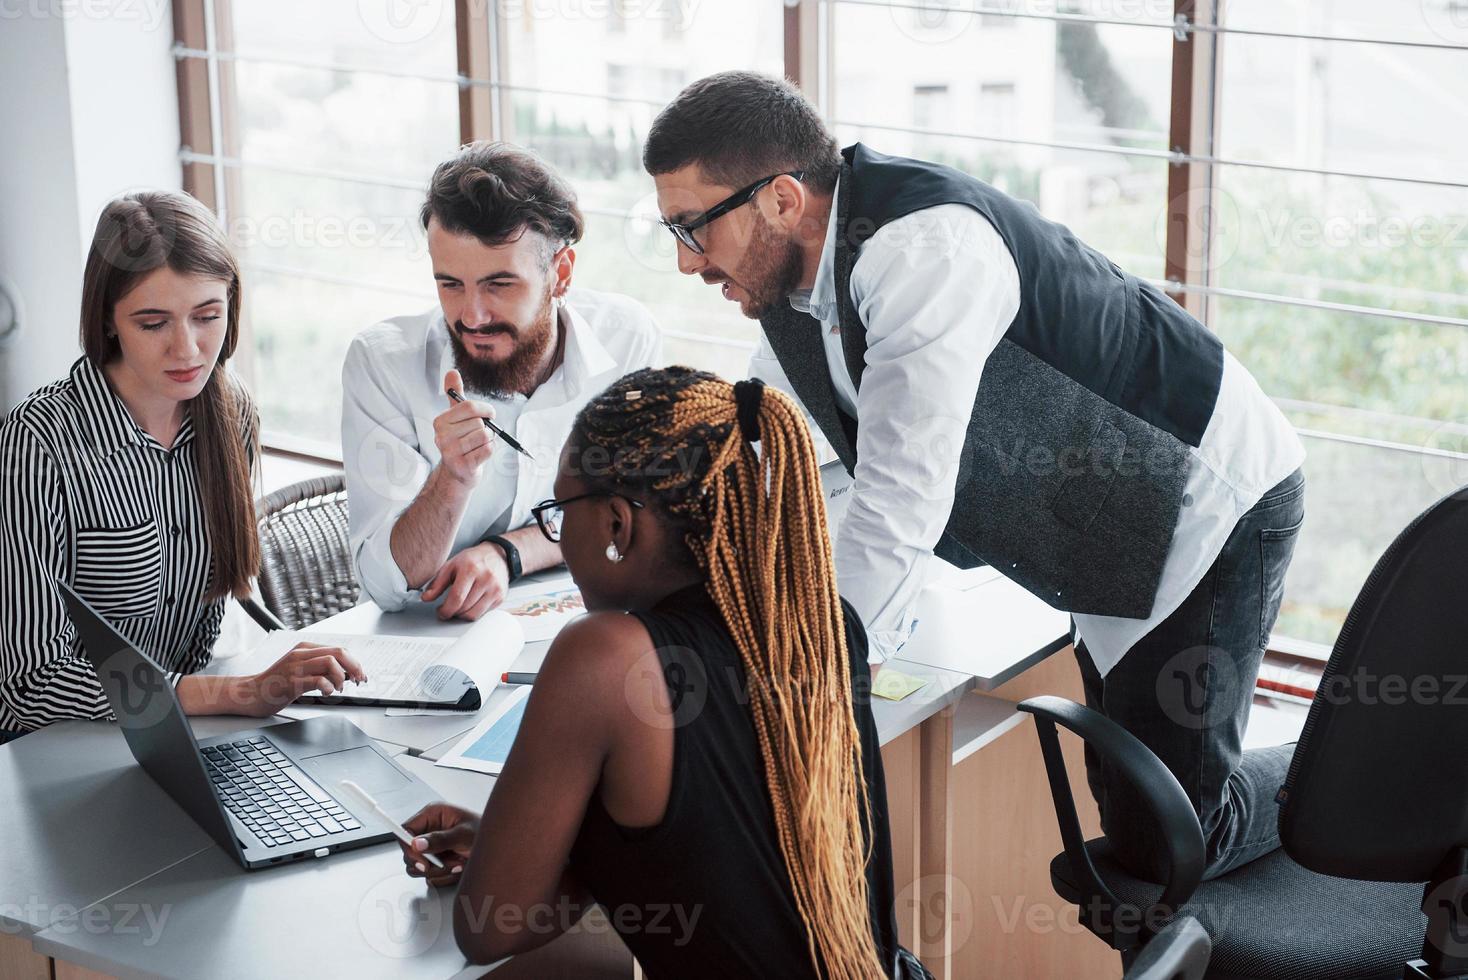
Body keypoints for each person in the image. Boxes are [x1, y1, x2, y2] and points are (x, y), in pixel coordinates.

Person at [641, 71, 1306, 882]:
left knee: (1169, 846)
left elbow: (900, 495)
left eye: (691, 227)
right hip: (1104, 520)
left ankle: (1350, 768)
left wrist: (821, 674)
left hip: (1207, 499)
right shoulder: (786, 277)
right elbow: (770, 447)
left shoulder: (924, 252)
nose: (685, 263)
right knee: (1134, 800)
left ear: (781, 199)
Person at [393, 367, 930, 979]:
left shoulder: (606, 656)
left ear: (619, 525)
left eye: (560, 512)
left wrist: (527, 853)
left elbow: (489, 927)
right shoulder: (823, 626)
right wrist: (520, 843)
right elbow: (710, 853)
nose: (559, 536)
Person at [0, 191, 365, 745]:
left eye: (207, 316)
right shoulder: (38, 443)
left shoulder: (231, 412)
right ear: (108, 318)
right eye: (153, 324)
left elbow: (201, 626)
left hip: (172, 734)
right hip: (49, 747)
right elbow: (30, 684)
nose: (188, 350)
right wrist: (237, 693)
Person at [342, 141, 662, 622]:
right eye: (450, 284)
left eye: (499, 284)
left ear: (561, 274)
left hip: (585, 619)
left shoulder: (626, 338)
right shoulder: (382, 362)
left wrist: (508, 553)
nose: (472, 316)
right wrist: (452, 479)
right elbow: (388, 585)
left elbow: (641, 514)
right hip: (430, 640)